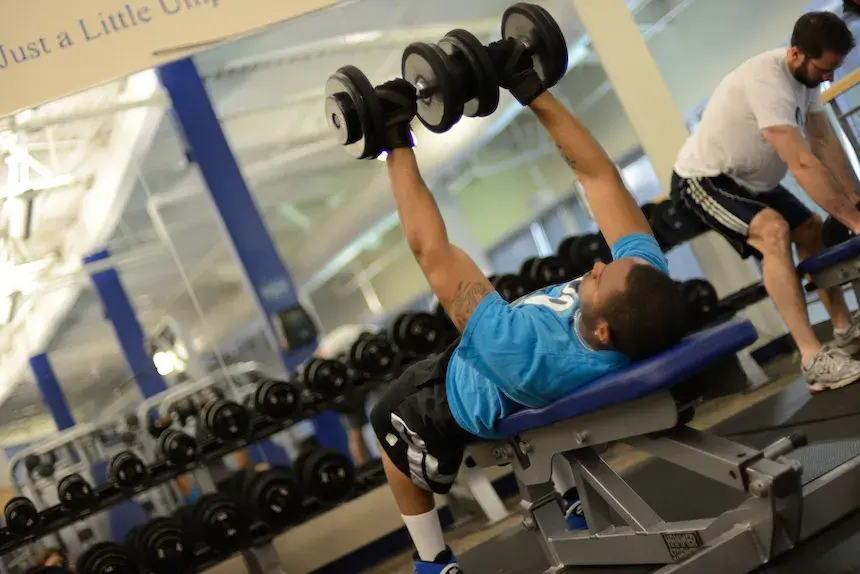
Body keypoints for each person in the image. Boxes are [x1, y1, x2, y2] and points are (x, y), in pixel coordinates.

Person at [368, 39, 690, 574]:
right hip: (531, 378)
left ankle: (432, 561)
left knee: (386, 421)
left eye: (599, 278)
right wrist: (531, 88)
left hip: (459, 394)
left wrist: (395, 138)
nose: (596, 265)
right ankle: (570, 497)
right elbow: (599, 177)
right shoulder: (644, 289)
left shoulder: (523, 351)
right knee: (543, 402)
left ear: (604, 331)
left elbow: (432, 250)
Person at [671, 11, 860, 394]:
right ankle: (811, 359)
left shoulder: (807, 81)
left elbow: (823, 141)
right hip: (703, 179)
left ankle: (843, 329)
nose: (829, 78)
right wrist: (855, 223)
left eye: (834, 69)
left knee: (809, 227)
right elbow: (802, 162)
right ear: (795, 53)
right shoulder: (766, 80)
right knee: (773, 231)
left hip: (752, 181)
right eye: (824, 69)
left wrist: (854, 201)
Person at [315, 323, 382, 465]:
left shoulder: (371, 335)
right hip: (344, 388)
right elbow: (319, 358)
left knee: (382, 421)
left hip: (365, 380)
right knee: (355, 432)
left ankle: (389, 461)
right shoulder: (343, 339)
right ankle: (363, 467)